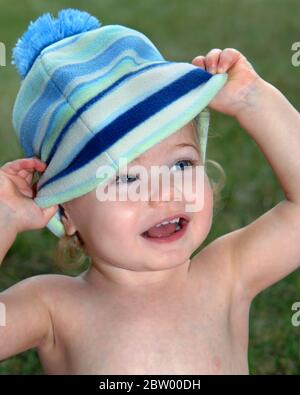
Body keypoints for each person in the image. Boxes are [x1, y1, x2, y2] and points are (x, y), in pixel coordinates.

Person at [0, 8, 299, 374]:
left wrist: (253, 98)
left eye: (180, 166)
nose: (164, 194)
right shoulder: (51, 307)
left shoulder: (227, 274)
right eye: (126, 179)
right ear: (66, 212)